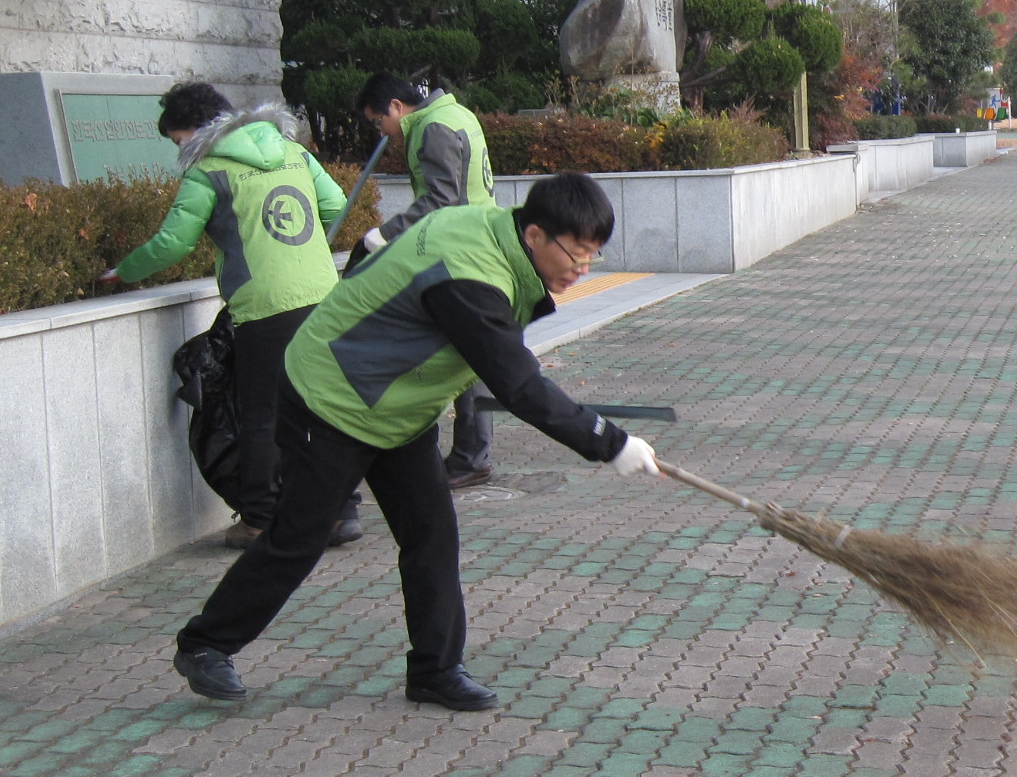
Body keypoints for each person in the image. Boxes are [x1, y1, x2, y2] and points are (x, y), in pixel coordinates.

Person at [172, 171, 662, 712]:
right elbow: (519, 385)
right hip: (330, 396)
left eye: (594, 256)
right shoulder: (471, 277)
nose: (582, 269)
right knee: (300, 536)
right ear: (535, 236)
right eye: (577, 254)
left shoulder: (487, 228)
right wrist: (608, 442)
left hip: (394, 408)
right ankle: (205, 645)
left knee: (431, 533)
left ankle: (435, 669)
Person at [104, 83, 362, 550]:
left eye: (178, 138)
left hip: (264, 306)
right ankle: (341, 512)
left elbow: (174, 243)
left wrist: (122, 271)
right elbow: (334, 207)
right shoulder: (290, 150)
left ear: (197, 130)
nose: (179, 149)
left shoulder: (209, 171)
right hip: (324, 295)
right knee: (323, 408)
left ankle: (260, 517)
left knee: (260, 414)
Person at [355, 72, 503, 488]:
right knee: (469, 357)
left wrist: (384, 235)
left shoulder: (433, 127)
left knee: (456, 358)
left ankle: (468, 457)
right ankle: (471, 455)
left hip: (461, 258)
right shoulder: (457, 114)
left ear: (397, 108)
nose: (381, 132)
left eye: (377, 120)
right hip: (478, 249)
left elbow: (440, 198)